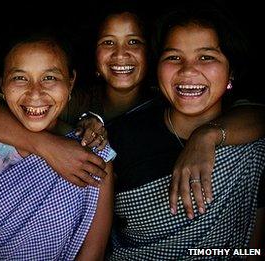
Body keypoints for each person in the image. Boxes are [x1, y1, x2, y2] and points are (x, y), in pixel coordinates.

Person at [0, 2, 265, 218]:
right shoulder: (65, 97)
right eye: (108, 42)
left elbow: (258, 114)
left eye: (134, 42)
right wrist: (47, 146)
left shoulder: (173, 98)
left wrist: (206, 135)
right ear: (93, 53)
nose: (120, 54)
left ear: (151, 53)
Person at [106, 5, 265, 259]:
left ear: (231, 72)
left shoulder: (253, 149)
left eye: (206, 57)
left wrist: (207, 136)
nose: (188, 70)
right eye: (173, 57)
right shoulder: (118, 140)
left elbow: (252, 250)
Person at [0, 33, 116, 260]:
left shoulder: (96, 155)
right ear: (2, 83)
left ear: (71, 82)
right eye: (20, 78)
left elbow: (93, 251)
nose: (35, 93)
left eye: (49, 78)